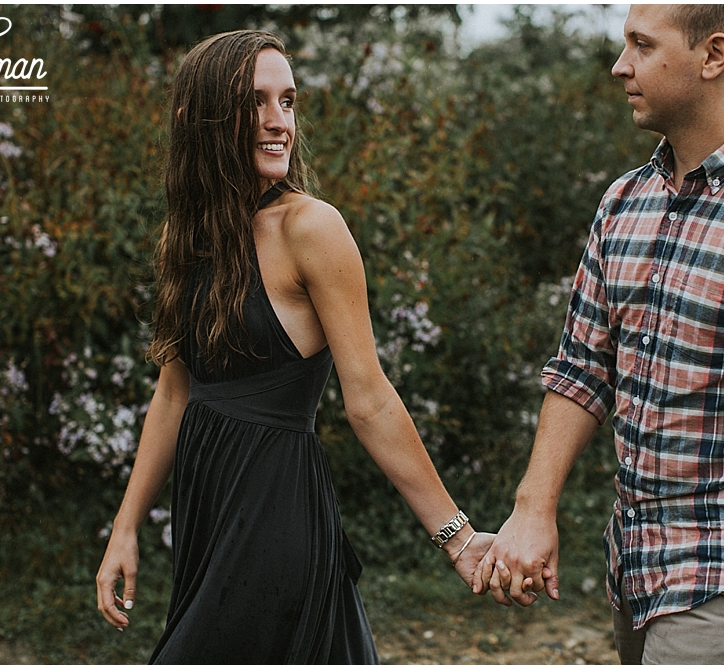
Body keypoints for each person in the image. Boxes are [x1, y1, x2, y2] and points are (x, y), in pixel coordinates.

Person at [474, 5, 724, 665]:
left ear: (714, 56)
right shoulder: (624, 204)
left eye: (641, 45)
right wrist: (532, 507)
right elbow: (581, 369)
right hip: (638, 557)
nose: (620, 65)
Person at [95, 30, 493, 663]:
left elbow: (370, 400)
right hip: (207, 515)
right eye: (256, 102)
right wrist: (125, 528)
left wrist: (457, 537)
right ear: (198, 118)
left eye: (288, 101)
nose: (278, 121)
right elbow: (174, 391)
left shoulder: (312, 228)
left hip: (275, 512)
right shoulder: (186, 234)